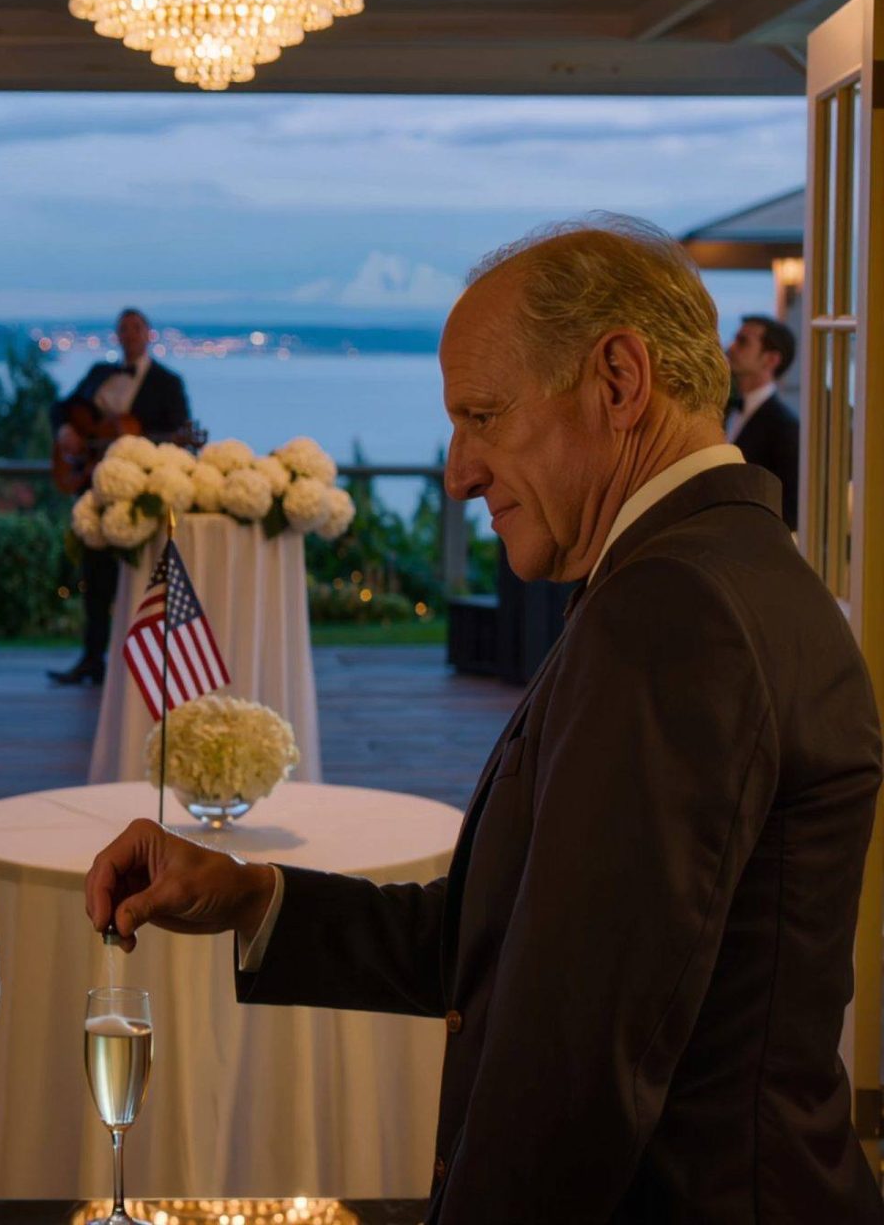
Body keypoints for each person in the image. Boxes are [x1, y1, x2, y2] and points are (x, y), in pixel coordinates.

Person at [85, 218, 883, 1223]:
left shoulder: (674, 613)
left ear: (618, 381)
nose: (457, 473)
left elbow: (570, 1068)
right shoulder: (722, 571)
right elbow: (520, 939)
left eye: (482, 415)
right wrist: (250, 895)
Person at [47, 308, 190, 686]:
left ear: (148, 334)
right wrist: (66, 432)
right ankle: (92, 658)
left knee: (141, 578)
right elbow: (60, 406)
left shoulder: (168, 383)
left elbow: (177, 434)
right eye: (123, 329)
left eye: (136, 328)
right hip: (95, 487)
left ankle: (141, 663)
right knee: (94, 578)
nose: (129, 335)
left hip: (139, 494)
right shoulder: (99, 374)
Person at [725, 313, 799, 531]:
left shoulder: (785, 427)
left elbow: (791, 511)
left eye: (742, 342)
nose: (731, 347)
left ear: (771, 360)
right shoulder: (725, 409)